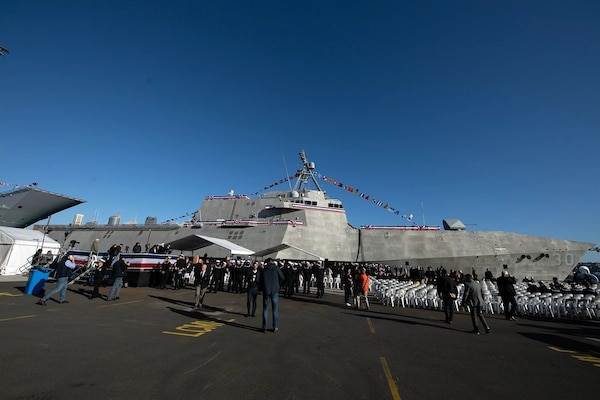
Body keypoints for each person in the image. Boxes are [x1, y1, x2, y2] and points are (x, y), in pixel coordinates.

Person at [260, 258, 284, 332]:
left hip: (266, 290)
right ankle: (275, 326)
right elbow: (282, 277)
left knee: (265, 309)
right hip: (274, 290)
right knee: (275, 309)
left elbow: (261, 280)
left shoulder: (264, 270)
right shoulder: (276, 268)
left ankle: (264, 326)